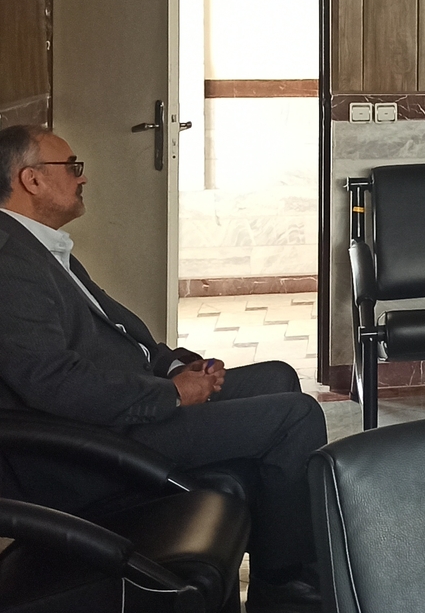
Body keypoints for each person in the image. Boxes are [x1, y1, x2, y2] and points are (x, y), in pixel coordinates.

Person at [0, 124, 326, 611]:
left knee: (278, 376)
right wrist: (173, 394)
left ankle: (281, 562)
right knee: (295, 416)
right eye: (71, 167)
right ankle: (287, 590)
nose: (81, 177)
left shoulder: (38, 245)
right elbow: (53, 382)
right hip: (91, 445)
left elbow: (118, 330)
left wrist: (175, 365)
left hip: (122, 410)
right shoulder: (10, 263)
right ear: (31, 179)